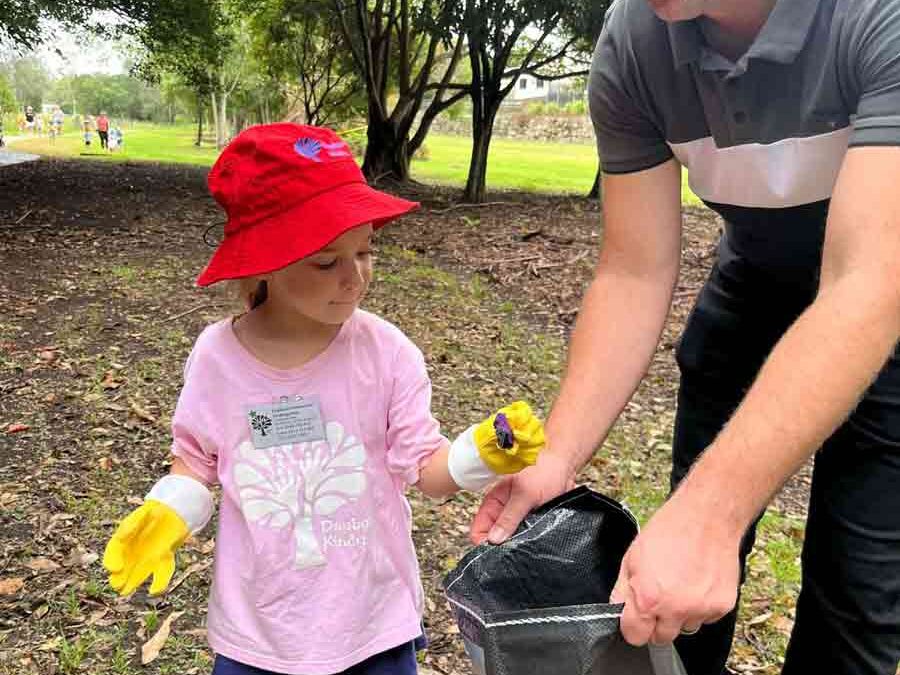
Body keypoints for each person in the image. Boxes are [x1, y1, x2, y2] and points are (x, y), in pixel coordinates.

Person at [470, 1, 900, 674]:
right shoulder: (636, 41)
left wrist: (714, 511)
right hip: (754, 280)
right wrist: (558, 451)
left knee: (852, 601)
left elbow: (868, 284)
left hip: (887, 296)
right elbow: (634, 270)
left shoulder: (876, 17)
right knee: (676, 605)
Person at [101, 123, 546, 675]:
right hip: (259, 632)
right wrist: (170, 510)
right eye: (326, 261)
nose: (354, 277)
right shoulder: (218, 358)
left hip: (371, 624)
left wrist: (480, 454)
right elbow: (195, 462)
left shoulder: (387, 354)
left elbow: (424, 472)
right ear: (265, 259)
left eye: (365, 250)